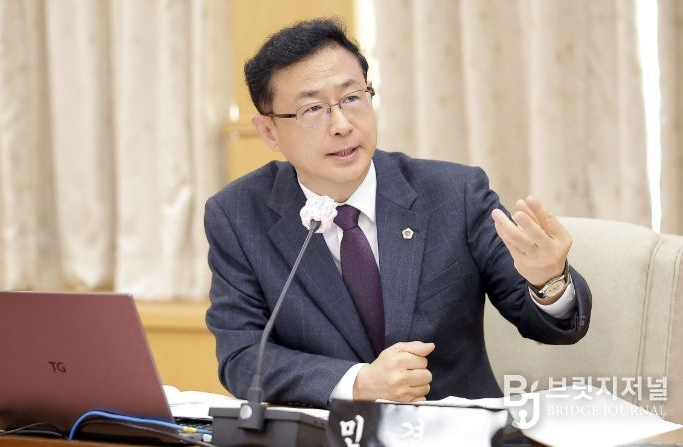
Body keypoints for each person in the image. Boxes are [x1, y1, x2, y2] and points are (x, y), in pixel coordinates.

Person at [204, 18, 591, 409]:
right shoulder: (237, 216)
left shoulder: (454, 194)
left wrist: (549, 280)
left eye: (352, 98)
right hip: (328, 433)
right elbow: (242, 358)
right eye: (313, 109)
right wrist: (358, 383)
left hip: (455, 429)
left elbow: (552, 327)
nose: (341, 125)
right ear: (269, 131)